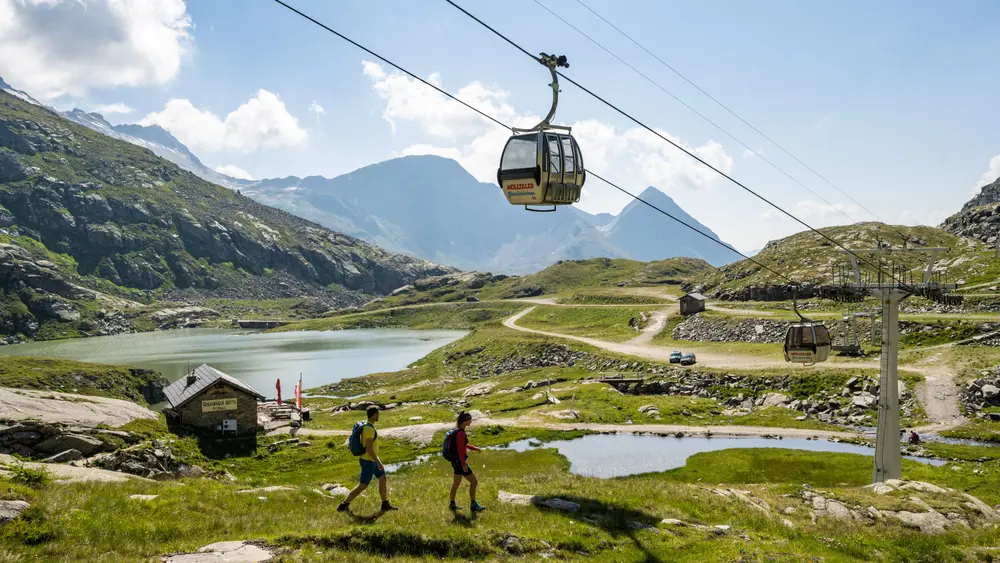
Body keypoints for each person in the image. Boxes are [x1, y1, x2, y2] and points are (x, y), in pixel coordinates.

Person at [338, 406, 398, 513]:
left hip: (373, 460)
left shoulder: (367, 425)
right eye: (378, 414)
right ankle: (344, 505)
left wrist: (377, 461)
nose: (378, 416)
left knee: (383, 479)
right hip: (368, 461)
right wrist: (378, 462)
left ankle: (385, 504)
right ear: (374, 415)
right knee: (363, 485)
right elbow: (369, 449)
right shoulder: (369, 429)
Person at [448, 411, 485, 512]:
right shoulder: (461, 433)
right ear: (465, 421)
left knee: (456, 484)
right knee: (474, 482)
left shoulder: (457, 431)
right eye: (469, 420)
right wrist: (464, 465)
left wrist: (474, 448)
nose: (471, 421)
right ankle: (473, 504)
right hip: (460, 462)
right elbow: (460, 450)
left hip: (455, 461)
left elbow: (462, 445)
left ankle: (452, 504)